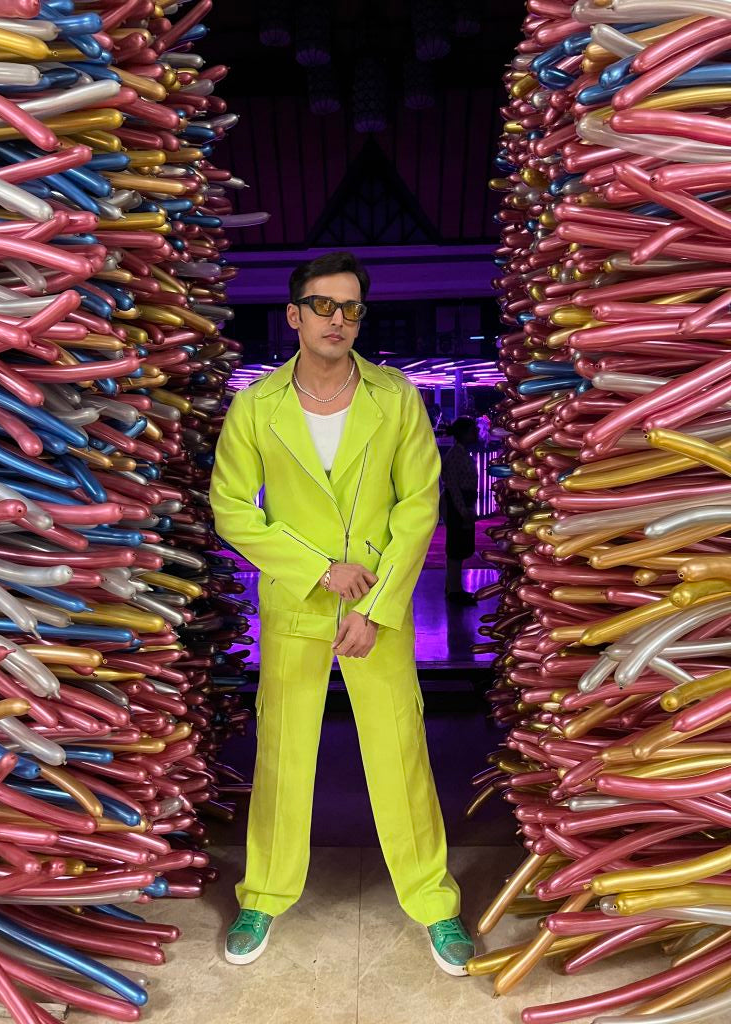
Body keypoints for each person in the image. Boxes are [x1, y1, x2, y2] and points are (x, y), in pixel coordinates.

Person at [209, 251, 474, 975]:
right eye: (323, 306)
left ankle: (434, 902)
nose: (338, 319)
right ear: (294, 315)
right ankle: (263, 894)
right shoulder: (256, 406)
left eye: (351, 308)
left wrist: (379, 606)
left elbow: (418, 506)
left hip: (377, 607)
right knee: (282, 752)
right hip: (296, 603)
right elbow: (232, 509)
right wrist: (319, 570)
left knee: (400, 750)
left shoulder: (396, 397)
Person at [440, 416, 481, 605]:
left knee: (460, 547)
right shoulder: (456, 455)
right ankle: (454, 590)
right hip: (457, 504)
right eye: (472, 430)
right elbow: (453, 486)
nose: (476, 433)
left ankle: (454, 587)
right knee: (456, 548)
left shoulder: (461, 453)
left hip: (463, 503)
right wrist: (463, 509)